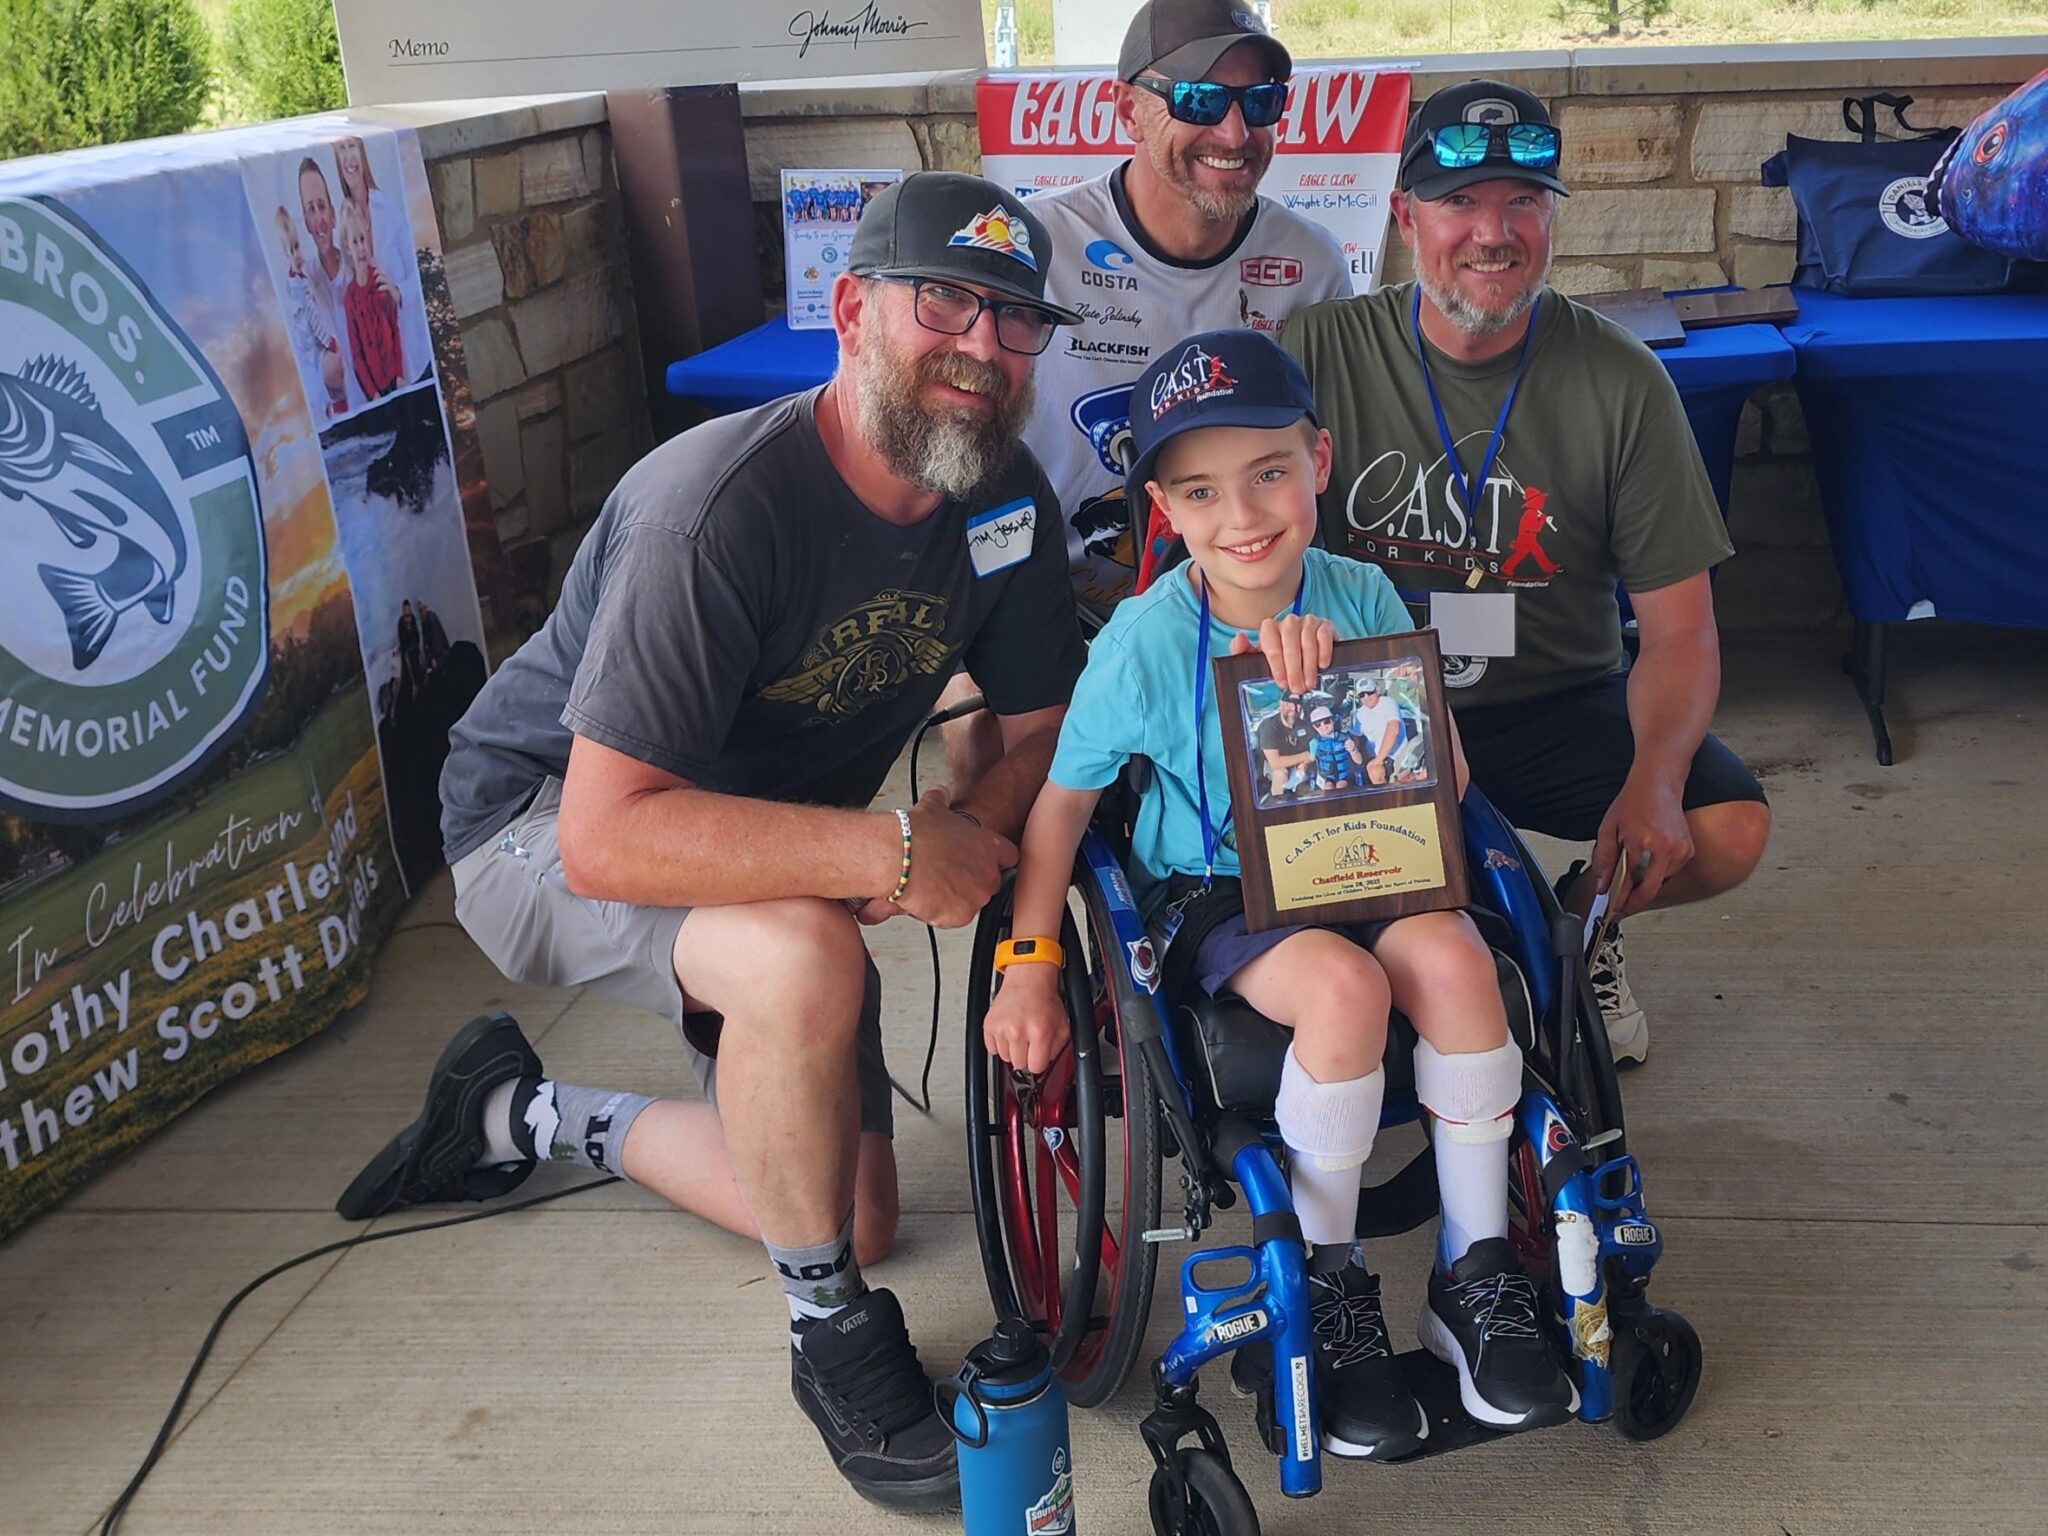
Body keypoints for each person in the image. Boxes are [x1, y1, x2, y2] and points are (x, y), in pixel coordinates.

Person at [336, 173, 1087, 1513]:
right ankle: (829, 1341)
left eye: (1015, 319)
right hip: (535, 832)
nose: (981, 347)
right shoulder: (720, 507)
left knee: (856, 1214)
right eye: (946, 304)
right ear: (852, 310)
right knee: (804, 960)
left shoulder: (1005, 497)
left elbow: (1042, 725)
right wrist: (888, 855)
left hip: (756, 844)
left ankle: (516, 1113)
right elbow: (608, 834)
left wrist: (968, 815)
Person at [984, 328, 1576, 1461]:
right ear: (1163, 505)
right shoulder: (1144, 646)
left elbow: (1446, 784)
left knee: (1456, 962)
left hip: (1370, 855)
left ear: (1319, 458)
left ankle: (1472, 1271)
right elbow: (1059, 811)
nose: (1242, 514)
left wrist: (1351, 684)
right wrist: (1030, 964)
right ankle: (1328, 1283)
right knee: (1345, 991)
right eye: (1201, 491)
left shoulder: (1364, 594)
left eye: (1268, 472)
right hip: (1220, 890)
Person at [1281, 80, 1772, 1065]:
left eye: (1521, 201)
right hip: (1369, 708)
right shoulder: (1314, 350)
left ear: (1550, 215)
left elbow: (1679, 630)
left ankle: (1578, 924)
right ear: (1402, 215)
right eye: (1458, 202)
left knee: (1721, 827)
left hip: (1549, 697)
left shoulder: (1620, 378)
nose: (1490, 231)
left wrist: (1653, 780)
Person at [940, 0, 1350, 782]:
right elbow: (956, 450)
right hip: (1053, 603)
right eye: (1198, 99)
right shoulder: (1039, 249)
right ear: (1124, 106)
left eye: (1259, 102)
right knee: (990, 759)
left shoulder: (1311, 264)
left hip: (1231, 600)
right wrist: (960, 667)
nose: (1234, 134)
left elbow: (1313, 466)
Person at [272, 206, 346, 418]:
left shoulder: (299, 278)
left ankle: (335, 404)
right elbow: (312, 318)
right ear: (283, 254)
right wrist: (328, 340)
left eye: (296, 247)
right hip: (309, 344)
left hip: (310, 341)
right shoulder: (297, 285)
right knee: (327, 367)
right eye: (290, 251)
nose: (296, 254)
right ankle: (333, 407)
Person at [339, 201, 404, 400]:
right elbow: (357, 354)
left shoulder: (380, 281)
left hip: (395, 378)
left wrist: (400, 374)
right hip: (376, 389)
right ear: (348, 248)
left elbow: (394, 329)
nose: (361, 248)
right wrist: (373, 393)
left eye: (362, 239)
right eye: (355, 242)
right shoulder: (349, 298)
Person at [1350, 672, 1403, 785]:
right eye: (1362, 695)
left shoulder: (1388, 702)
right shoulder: (1358, 714)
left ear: (1377, 690)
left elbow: (1394, 730)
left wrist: (1378, 760)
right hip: (1371, 758)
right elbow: (1356, 738)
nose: (1366, 697)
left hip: (1394, 757)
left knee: (1375, 772)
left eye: (1370, 692)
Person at [1255, 690, 1310, 797]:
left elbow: (1311, 748)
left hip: (1297, 762)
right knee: (1281, 773)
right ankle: (1277, 803)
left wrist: (1304, 764)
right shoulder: (1269, 726)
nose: (1293, 708)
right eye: (1289, 704)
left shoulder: (1303, 725)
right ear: (1281, 705)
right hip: (1271, 765)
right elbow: (1275, 762)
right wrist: (1305, 756)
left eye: (1297, 704)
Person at [1306, 703, 1359, 791]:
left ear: (1333, 720)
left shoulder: (1344, 738)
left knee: (1341, 787)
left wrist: (1354, 750)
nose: (1323, 726)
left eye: (1326, 721)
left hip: (1344, 775)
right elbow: (1311, 758)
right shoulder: (1315, 742)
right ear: (1314, 727)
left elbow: (1359, 761)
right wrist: (1304, 764)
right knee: (1328, 788)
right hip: (1326, 777)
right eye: (1318, 724)